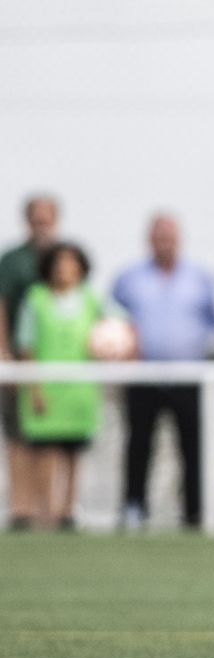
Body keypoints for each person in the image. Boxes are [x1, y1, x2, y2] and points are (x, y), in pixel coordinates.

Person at [113, 213, 214, 530]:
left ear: (179, 239)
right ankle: (134, 507)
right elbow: (114, 319)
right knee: (139, 443)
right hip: (143, 375)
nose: (164, 243)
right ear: (149, 240)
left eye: (169, 237)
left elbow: (213, 322)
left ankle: (195, 512)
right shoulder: (129, 278)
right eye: (159, 237)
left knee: (192, 445)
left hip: (188, 375)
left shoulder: (199, 277)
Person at [14, 242, 103, 530]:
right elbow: (26, 344)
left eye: (70, 262)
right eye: (59, 262)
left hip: (80, 391)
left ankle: (68, 511)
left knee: (73, 452)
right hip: (46, 388)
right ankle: (46, 510)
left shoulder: (91, 299)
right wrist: (34, 388)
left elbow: (112, 329)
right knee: (46, 452)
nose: (64, 268)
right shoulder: (36, 299)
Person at [0, 195, 59, 529]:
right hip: (21, 360)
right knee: (17, 435)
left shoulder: (63, 257)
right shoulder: (12, 260)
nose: (41, 225)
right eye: (36, 219)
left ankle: (47, 509)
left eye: (46, 219)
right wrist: (4, 353)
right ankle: (20, 509)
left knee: (50, 437)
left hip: (55, 364)